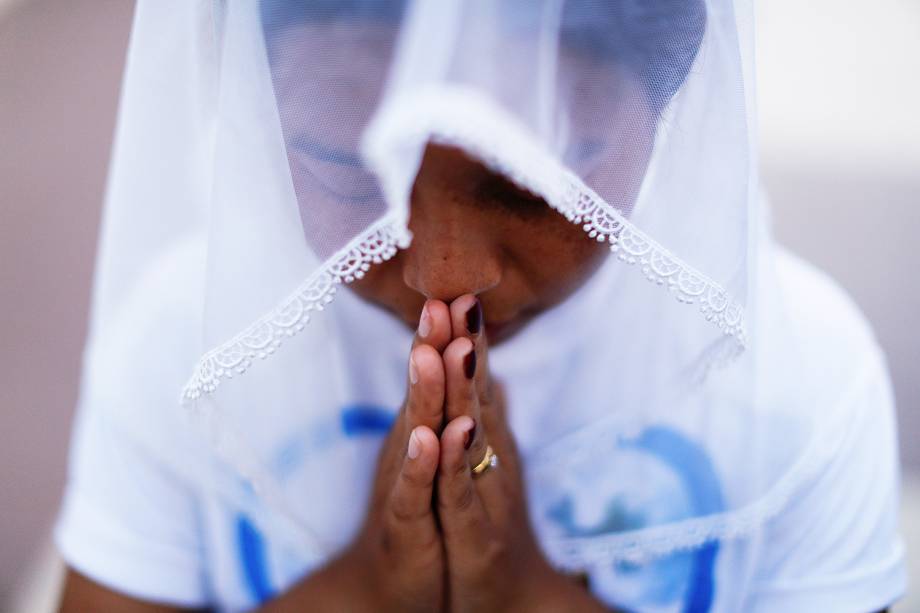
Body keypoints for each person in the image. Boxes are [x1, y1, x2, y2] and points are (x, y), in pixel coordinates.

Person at [56, 1, 905, 611]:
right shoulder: (182, 349)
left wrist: (521, 592)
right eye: (349, 171)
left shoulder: (806, 386)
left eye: (529, 179)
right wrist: (368, 586)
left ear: (673, 90)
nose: (441, 271)